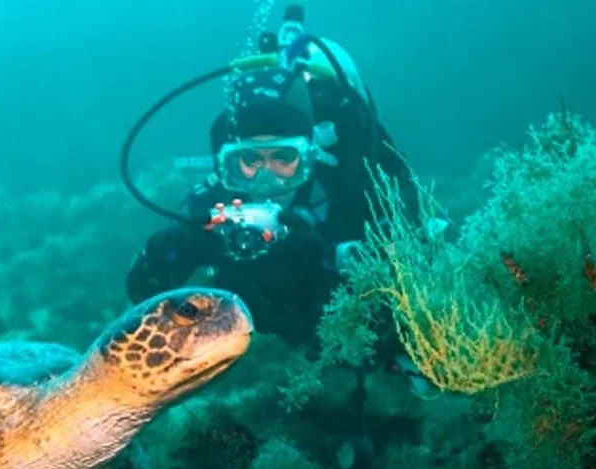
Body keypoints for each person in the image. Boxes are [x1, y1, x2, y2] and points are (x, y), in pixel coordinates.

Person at [123, 4, 423, 368]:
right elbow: (141, 293)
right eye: (249, 160)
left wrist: (326, 259)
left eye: (284, 157)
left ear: (311, 156)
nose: (268, 177)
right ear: (228, 164)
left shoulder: (348, 190)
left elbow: (409, 290)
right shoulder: (214, 206)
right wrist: (180, 245)